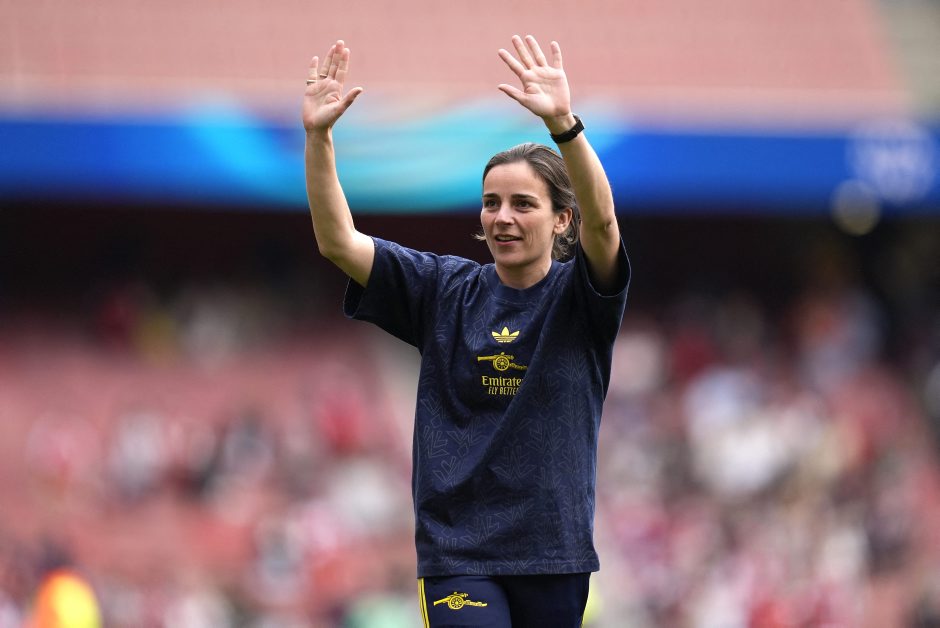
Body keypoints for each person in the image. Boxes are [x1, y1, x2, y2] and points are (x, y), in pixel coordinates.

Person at [302, 35, 629, 628]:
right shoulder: (443, 289)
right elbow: (338, 242)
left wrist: (564, 125)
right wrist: (319, 139)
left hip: (554, 554)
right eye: (491, 203)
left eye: (523, 204)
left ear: (562, 219)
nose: (502, 217)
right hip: (458, 553)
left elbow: (604, 225)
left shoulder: (582, 299)